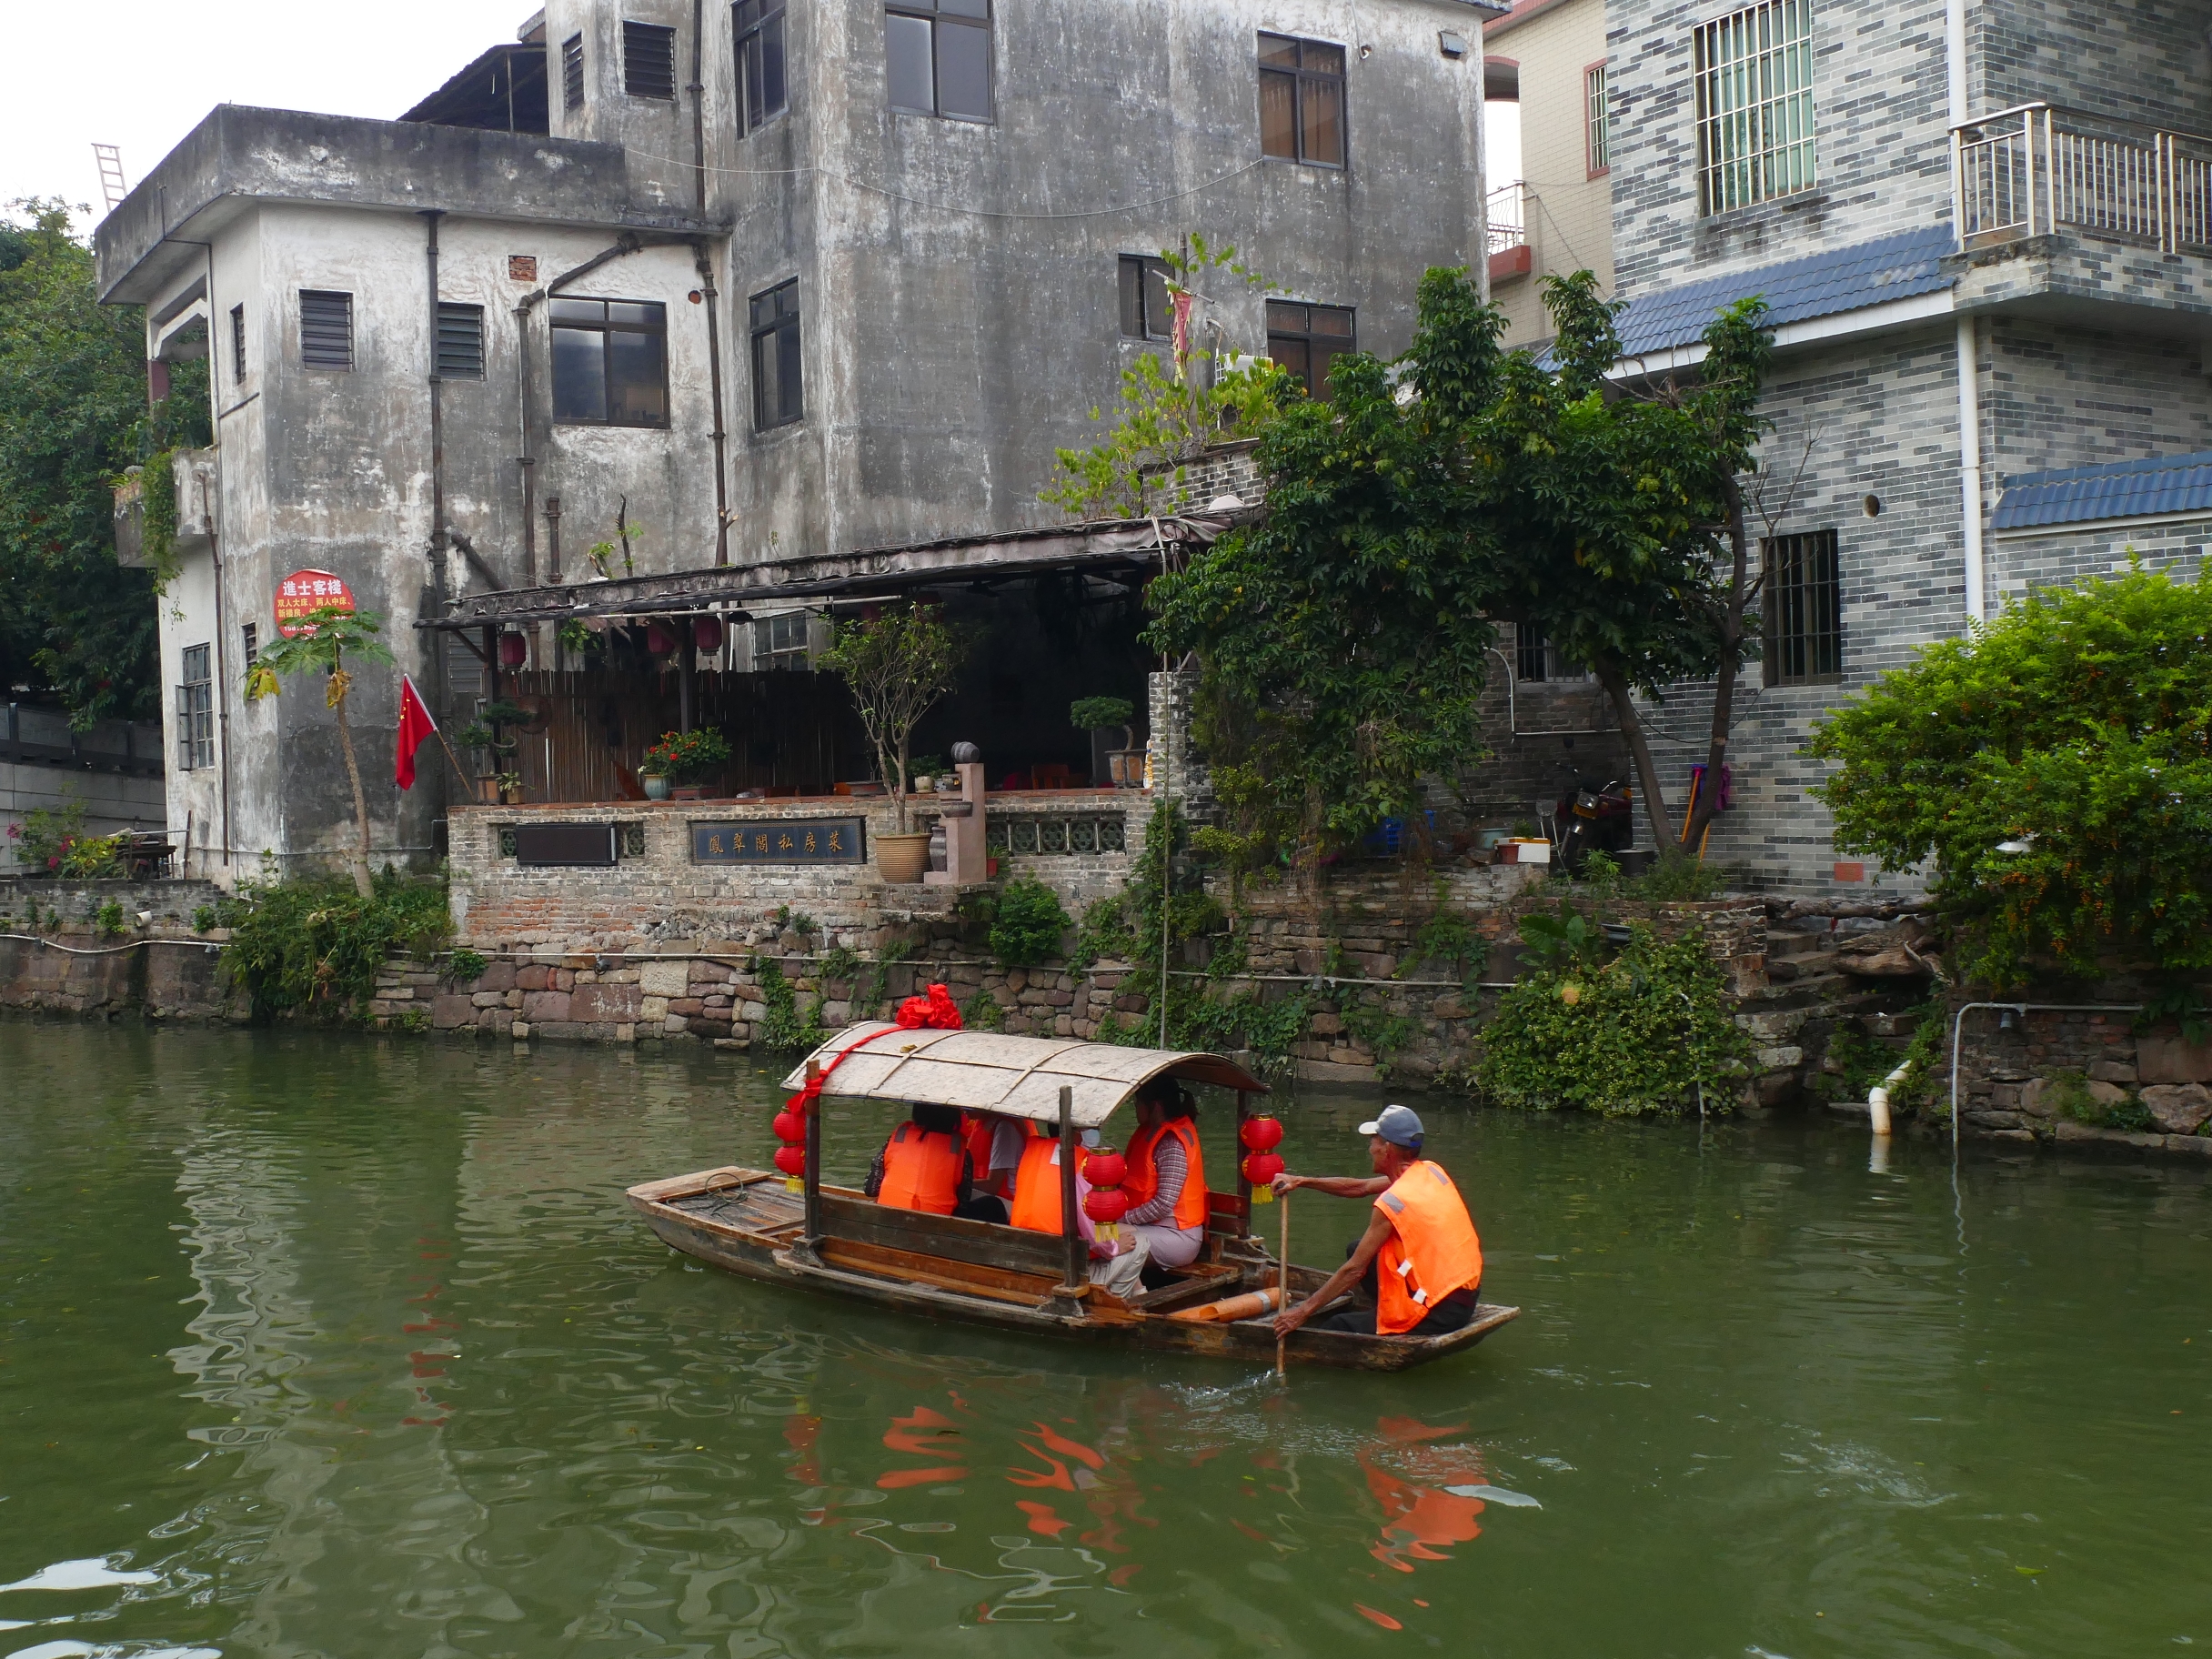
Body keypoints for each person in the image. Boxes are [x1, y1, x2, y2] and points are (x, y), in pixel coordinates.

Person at [1269, 1105, 1483, 1339]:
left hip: (1441, 1309)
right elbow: (1359, 1187)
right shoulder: (1431, 1171)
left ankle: (1397, 1318)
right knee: (1356, 1247)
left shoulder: (1393, 1201)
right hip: (1464, 1294)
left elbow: (1354, 1271)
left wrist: (1301, 1312)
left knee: (1338, 1325)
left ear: (1387, 1149)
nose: (1370, 1148)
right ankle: (1385, 1309)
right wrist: (1301, 1181)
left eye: (1374, 1142)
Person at [1008, 1125, 1151, 1299]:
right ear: (1075, 1131)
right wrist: (1114, 1247)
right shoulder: (1080, 1165)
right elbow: (1097, 1239)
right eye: (1087, 1127)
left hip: (1028, 1261)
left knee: (1124, 1233)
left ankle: (1134, 1293)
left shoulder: (1032, 1152)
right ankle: (1109, 1302)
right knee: (1140, 1241)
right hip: (1066, 1274)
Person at [1121, 1080, 1209, 1271]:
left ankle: (1136, 1294)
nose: (1136, 1108)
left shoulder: (1172, 1144)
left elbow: (1163, 1203)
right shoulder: (1149, 1132)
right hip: (1151, 1227)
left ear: (1156, 1106)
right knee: (1099, 1234)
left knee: (1106, 1238)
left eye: (1138, 1103)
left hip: (1178, 1236)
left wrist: (1123, 1218)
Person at [864, 1102, 990, 1220]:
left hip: (888, 1219)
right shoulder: (960, 1149)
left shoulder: (900, 1135)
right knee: (993, 1205)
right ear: (954, 1116)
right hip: (936, 1226)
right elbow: (962, 1204)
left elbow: (871, 1189)